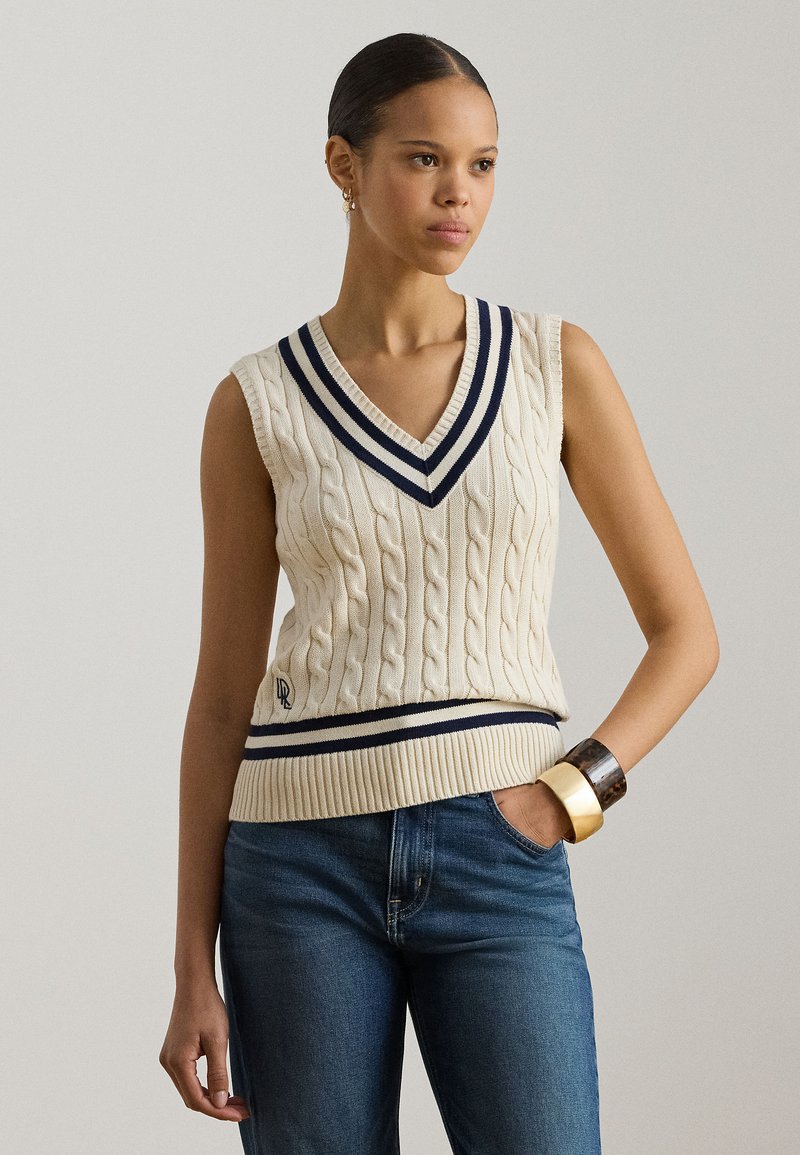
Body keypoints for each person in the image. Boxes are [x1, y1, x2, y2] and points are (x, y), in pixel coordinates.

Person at [159, 31, 719, 1155]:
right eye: (423, 159)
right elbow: (222, 696)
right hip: (294, 869)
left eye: (482, 164)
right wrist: (189, 967)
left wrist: (568, 794)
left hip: (499, 853)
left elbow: (685, 634)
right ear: (343, 164)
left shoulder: (553, 365)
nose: (459, 193)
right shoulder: (257, 403)